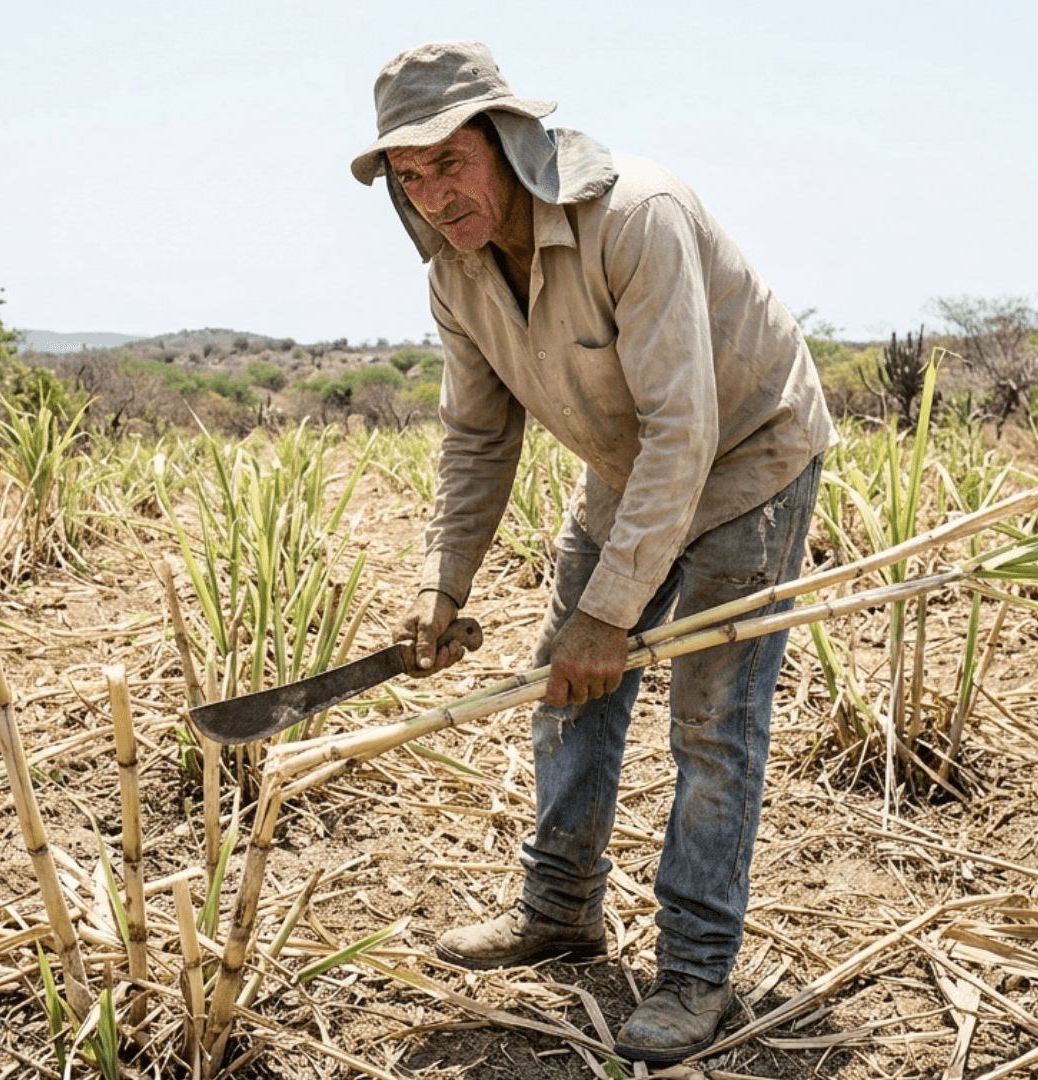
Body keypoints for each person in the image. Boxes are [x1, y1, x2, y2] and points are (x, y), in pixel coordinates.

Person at [350, 41, 837, 1064]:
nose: (436, 195)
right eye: (412, 176)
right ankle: (559, 910)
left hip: (747, 459)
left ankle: (696, 971)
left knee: (712, 724)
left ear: (510, 144)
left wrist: (610, 611)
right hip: (629, 470)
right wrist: (445, 587)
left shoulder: (634, 218)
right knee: (565, 689)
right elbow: (480, 436)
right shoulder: (457, 274)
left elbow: (686, 429)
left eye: (453, 163)